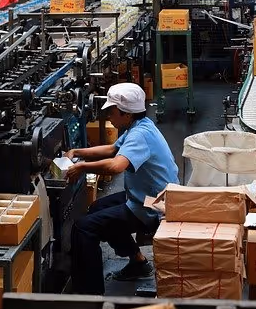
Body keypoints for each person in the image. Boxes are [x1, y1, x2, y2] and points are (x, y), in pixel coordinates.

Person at [64, 82, 179, 295]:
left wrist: (81, 167)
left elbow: (116, 166)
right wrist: (76, 151)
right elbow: (111, 149)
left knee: (83, 228)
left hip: (154, 206)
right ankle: (137, 261)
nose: (108, 116)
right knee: (97, 208)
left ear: (126, 114)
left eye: (111, 111)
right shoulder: (140, 124)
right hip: (145, 196)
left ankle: (90, 295)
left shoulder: (139, 135)